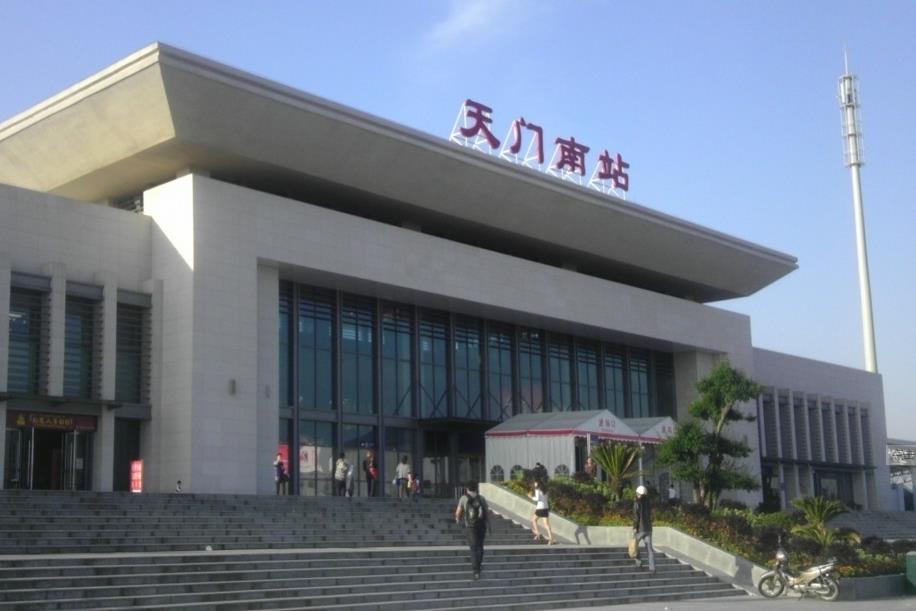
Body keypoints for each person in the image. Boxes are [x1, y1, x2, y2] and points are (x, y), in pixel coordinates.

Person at [454, 480, 491, 581]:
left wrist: (458, 519)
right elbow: (487, 513)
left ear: (467, 488)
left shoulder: (463, 498)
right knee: (480, 547)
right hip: (481, 526)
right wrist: (489, 525)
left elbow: (458, 512)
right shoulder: (481, 498)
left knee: (473, 548)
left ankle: (476, 570)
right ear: (476, 488)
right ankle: (478, 566)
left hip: (470, 527)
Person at [633, 484, 656, 573]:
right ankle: (652, 568)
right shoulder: (648, 502)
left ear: (638, 493)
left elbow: (636, 516)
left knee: (635, 545)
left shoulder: (637, 503)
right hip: (648, 528)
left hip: (640, 529)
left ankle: (638, 563)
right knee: (649, 549)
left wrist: (635, 527)